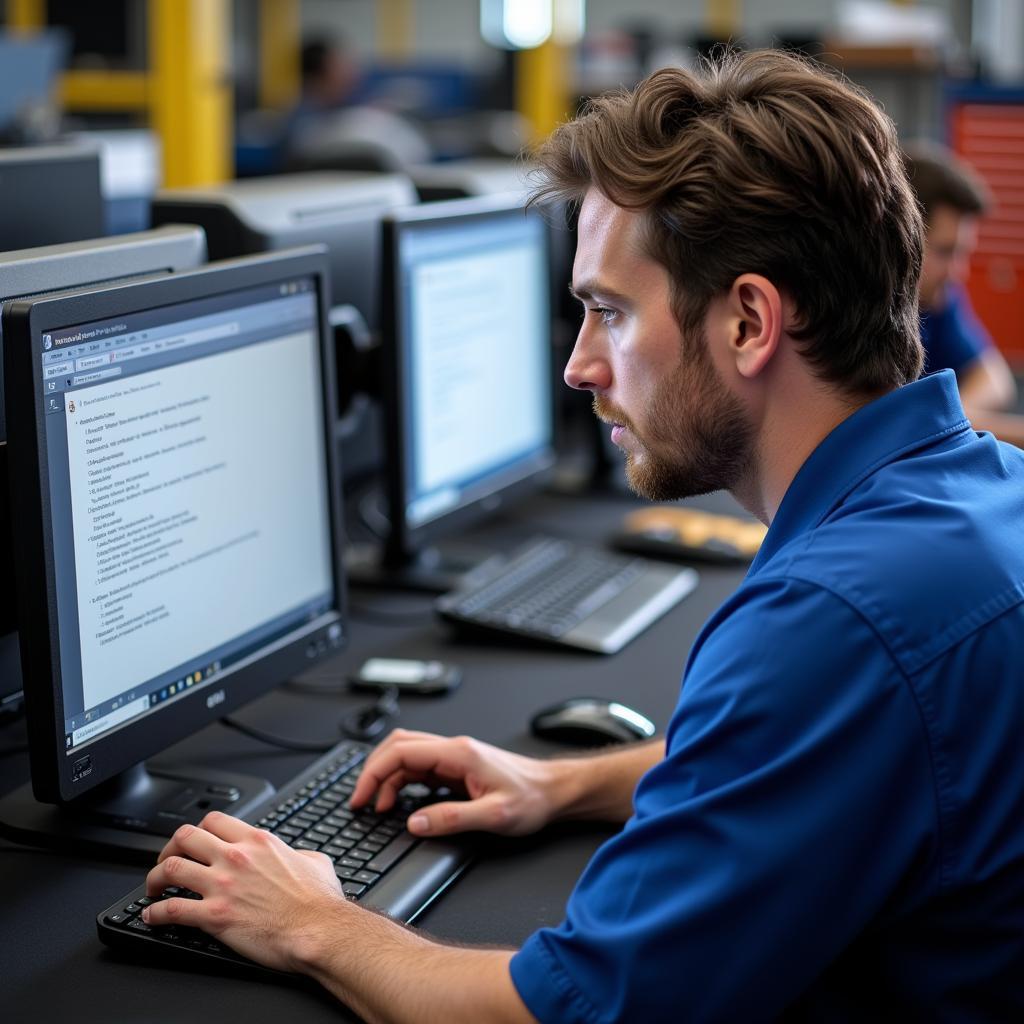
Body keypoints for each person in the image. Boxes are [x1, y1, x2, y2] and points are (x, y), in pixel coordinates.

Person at [140, 50, 1024, 1021]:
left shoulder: (833, 622)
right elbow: (827, 759)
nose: (578, 365)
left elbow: (570, 1011)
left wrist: (313, 919)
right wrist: (561, 784)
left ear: (747, 323)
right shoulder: (985, 493)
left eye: (608, 311)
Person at [903, 141, 1024, 446]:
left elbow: (995, 380)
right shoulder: (858, 319)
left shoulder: (938, 301)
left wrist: (946, 419)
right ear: (902, 242)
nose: (960, 272)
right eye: (946, 252)